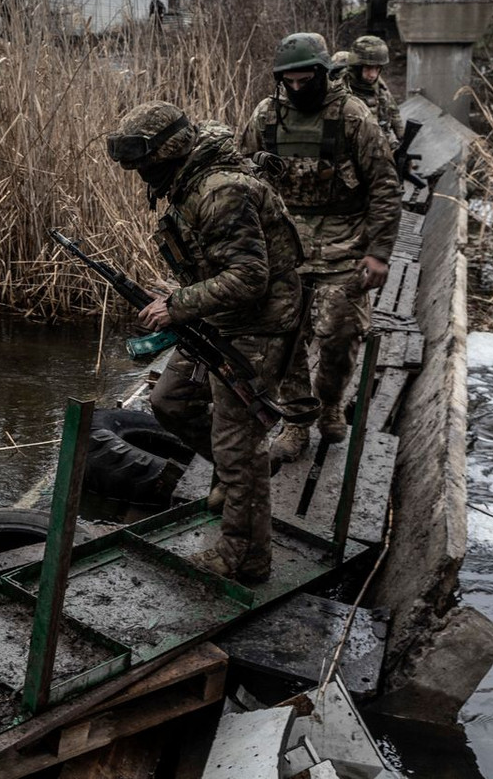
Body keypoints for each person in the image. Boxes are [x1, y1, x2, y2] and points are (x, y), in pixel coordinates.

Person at [108, 102, 304, 583]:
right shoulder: (192, 182)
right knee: (169, 400)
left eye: (143, 164)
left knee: (240, 445)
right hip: (220, 315)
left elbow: (249, 277)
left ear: (167, 154)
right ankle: (231, 479)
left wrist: (177, 306)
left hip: (257, 323)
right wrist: (182, 295)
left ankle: (245, 556)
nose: (140, 176)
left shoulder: (221, 192)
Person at [241, 32, 400, 464]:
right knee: (285, 338)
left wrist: (379, 251)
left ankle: (331, 401)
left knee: (338, 334)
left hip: (344, 242)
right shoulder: (265, 115)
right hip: (284, 245)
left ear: (323, 73)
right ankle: (296, 420)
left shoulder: (353, 116)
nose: (296, 89)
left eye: (304, 79)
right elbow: (243, 175)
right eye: (287, 81)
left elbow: (385, 185)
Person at [346, 34, 404, 144]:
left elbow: (394, 113)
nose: (373, 74)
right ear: (357, 67)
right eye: (368, 68)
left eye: (377, 68)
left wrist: (401, 140)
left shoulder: (380, 87)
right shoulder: (343, 88)